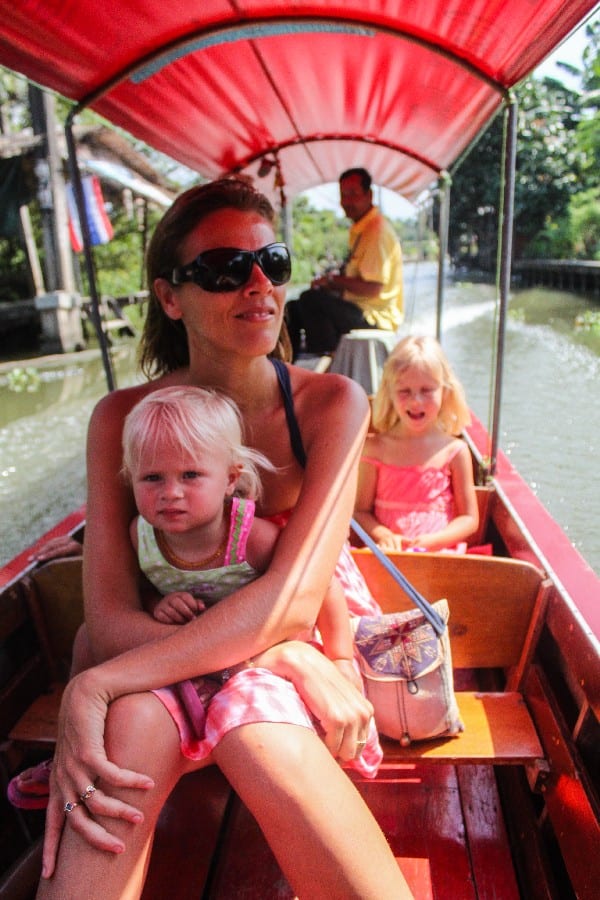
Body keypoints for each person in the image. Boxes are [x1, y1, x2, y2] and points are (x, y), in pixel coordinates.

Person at [37, 177, 414, 900]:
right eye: (222, 268)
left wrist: (97, 684)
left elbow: (297, 602)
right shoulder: (121, 419)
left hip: (295, 636)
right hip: (169, 643)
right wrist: (122, 673)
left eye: (271, 262)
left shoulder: (332, 402)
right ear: (170, 296)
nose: (257, 285)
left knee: (255, 729)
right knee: (137, 724)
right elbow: (112, 619)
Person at [121, 384, 378, 773]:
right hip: (196, 657)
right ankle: (78, 762)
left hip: (266, 654)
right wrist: (159, 604)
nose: (170, 493)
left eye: (190, 475)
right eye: (152, 478)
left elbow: (318, 584)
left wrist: (341, 657)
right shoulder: (140, 535)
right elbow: (144, 586)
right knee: (88, 642)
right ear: (131, 479)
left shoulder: (249, 537)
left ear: (229, 480)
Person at [354, 335, 479, 552]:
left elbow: (469, 518)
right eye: (405, 391)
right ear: (390, 393)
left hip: (439, 555)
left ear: (445, 392)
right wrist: (384, 534)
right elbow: (359, 511)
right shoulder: (375, 449)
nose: (416, 401)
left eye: (426, 390)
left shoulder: (454, 451)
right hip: (390, 554)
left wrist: (436, 541)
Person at [286, 167, 403, 358]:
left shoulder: (376, 232)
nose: (346, 202)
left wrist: (331, 281)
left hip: (375, 318)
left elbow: (373, 288)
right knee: (294, 308)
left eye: (353, 194)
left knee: (311, 300)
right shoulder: (360, 229)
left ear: (369, 195)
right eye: (343, 195)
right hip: (357, 308)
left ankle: (325, 361)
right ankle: (287, 364)